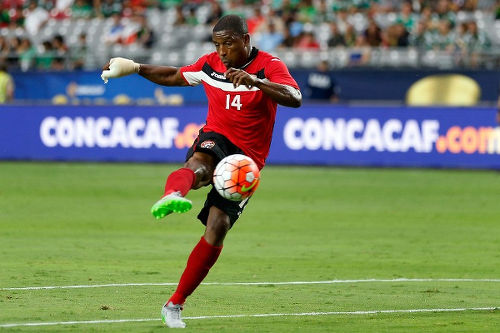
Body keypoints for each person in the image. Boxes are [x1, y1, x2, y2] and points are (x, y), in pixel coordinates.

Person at [100, 14, 301, 328]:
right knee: (198, 167)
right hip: (216, 137)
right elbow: (174, 76)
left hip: (246, 162)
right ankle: (172, 195)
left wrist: (257, 82)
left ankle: (174, 304)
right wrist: (136, 67)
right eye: (217, 44)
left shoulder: (269, 65)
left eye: (229, 44)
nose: (222, 51)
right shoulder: (210, 65)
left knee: (217, 227)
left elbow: (295, 97)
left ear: (246, 41)